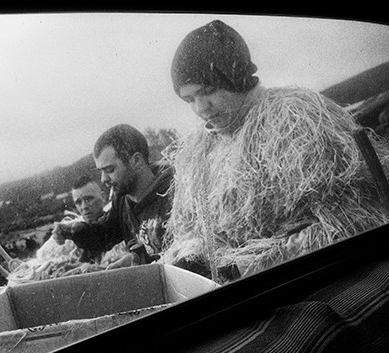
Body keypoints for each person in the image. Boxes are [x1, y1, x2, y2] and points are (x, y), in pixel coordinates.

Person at [160, 19, 389, 283]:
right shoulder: (196, 152)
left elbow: (353, 222)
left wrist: (248, 266)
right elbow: (191, 232)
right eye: (189, 99)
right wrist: (191, 256)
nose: (201, 109)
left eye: (208, 91)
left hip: (331, 279)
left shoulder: (297, 120)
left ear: (236, 77)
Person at [54, 124, 174, 268]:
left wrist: (138, 259)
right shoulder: (122, 199)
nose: (103, 179)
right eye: (101, 171)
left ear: (136, 161)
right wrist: (73, 231)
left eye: (110, 170)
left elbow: (187, 252)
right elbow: (104, 234)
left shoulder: (174, 193)